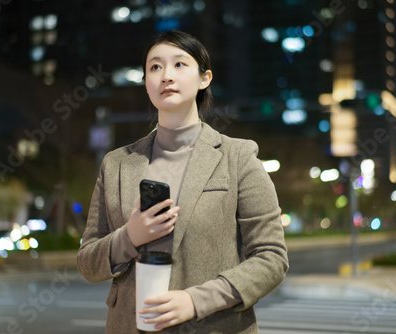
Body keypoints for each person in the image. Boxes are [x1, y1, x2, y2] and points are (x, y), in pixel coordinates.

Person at [77, 30, 289, 334]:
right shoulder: (117, 164)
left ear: (204, 78)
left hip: (215, 325)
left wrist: (196, 300)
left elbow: (271, 258)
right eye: (155, 67)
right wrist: (129, 237)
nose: (166, 75)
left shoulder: (237, 157)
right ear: (146, 83)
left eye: (179, 64)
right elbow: (87, 261)